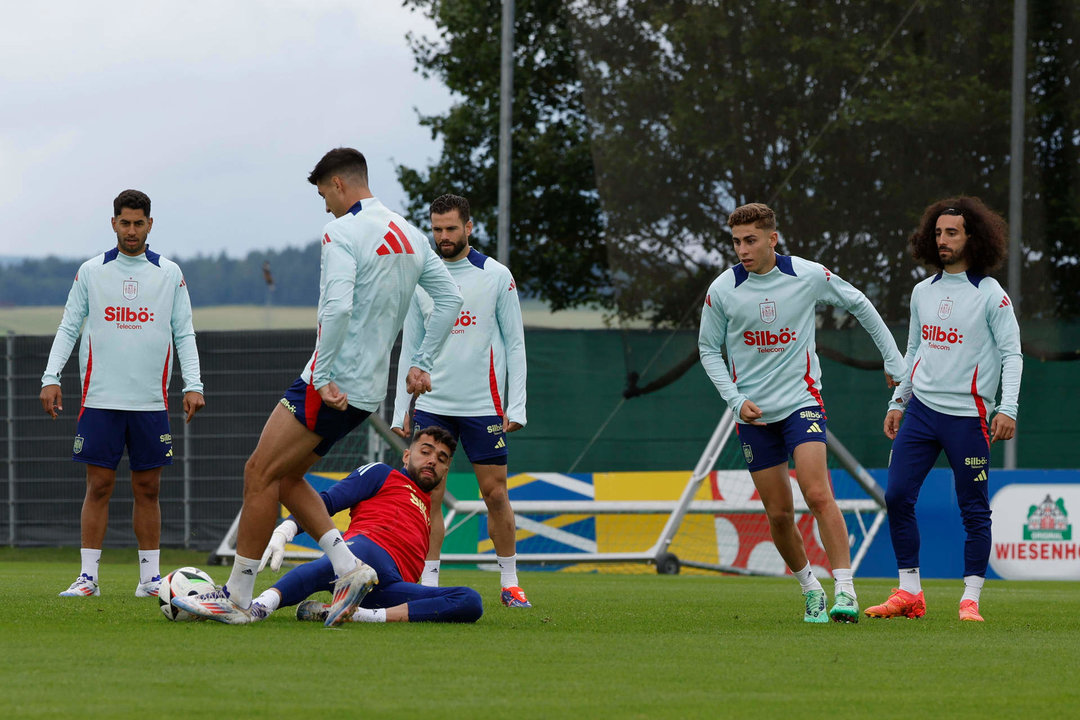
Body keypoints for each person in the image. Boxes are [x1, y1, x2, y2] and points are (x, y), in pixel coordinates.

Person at [177, 148, 463, 626]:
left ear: (338, 185)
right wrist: (419, 363)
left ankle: (237, 597)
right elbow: (450, 296)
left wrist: (325, 373)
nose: (325, 206)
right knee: (287, 479)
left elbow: (337, 309)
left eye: (322, 195)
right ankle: (349, 568)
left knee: (259, 473)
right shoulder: (413, 236)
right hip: (366, 392)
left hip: (331, 381)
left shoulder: (342, 230)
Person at [698, 202, 905, 623]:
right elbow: (707, 349)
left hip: (802, 403)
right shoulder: (722, 290)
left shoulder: (807, 274)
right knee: (778, 513)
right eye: (736, 241)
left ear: (772, 239)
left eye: (751, 240)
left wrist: (894, 360)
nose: (742, 249)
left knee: (816, 492)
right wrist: (736, 400)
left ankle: (844, 590)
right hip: (753, 416)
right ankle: (811, 589)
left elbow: (860, 303)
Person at [41, 189, 205, 599]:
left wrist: (194, 385)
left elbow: (183, 331)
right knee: (98, 486)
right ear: (113, 223)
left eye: (138, 223)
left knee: (148, 489)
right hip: (100, 399)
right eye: (124, 222)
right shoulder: (91, 272)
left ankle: (150, 580)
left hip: (149, 402)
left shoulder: (169, 273)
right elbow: (68, 326)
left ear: (150, 224)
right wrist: (51, 375)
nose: (131, 230)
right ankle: (88, 578)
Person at [866, 197, 1022, 623]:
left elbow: (1013, 355)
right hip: (921, 411)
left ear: (974, 237)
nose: (942, 240)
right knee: (896, 495)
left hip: (968, 418)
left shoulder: (991, 295)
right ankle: (909, 592)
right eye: (937, 232)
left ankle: (970, 598)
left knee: (973, 508)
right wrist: (898, 399)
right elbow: (915, 350)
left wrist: (1006, 407)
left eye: (951, 232)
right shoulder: (922, 292)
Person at [390, 194, 531, 608]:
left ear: (469, 227)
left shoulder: (496, 276)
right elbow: (411, 347)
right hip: (433, 404)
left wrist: (516, 404)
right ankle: (429, 585)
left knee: (496, 495)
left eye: (451, 228)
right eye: (436, 229)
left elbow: (516, 344)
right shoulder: (422, 278)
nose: (443, 236)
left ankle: (510, 582)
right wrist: (401, 408)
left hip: (483, 405)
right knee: (428, 495)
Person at [222, 427, 483, 625]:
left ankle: (363, 615)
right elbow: (327, 501)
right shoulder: (383, 474)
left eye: (441, 458)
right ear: (406, 455)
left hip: (388, 588)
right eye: (425, 452)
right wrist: (286, 529)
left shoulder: (428, 514)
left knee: (470, 600)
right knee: (338, 562)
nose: (432, 461)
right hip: (361, 554)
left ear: (446, 470)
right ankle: (258, 607)